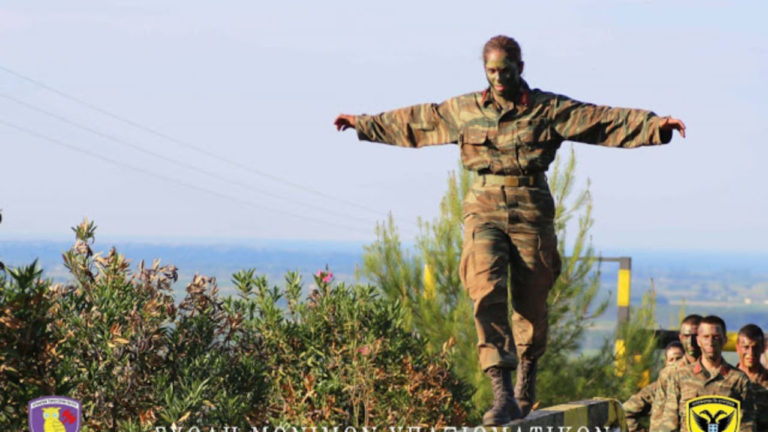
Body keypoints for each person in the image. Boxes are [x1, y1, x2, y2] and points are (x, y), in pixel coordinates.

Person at [334, 35, 686, 426]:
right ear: (485, 71)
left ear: (521, 67)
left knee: (532, 302)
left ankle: (526, 379)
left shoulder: (547, 108)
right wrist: (363, 124)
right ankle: (501, 391)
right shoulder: (464, 109)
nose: (499, 78)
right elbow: (416, 120)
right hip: (483, 207)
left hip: (532, 209)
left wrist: (655, 126)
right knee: (485, 289)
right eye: (492, 71)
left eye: (506, 69)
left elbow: (599, 119)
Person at [657, 316, 755, 432]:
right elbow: (669, 425)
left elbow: (747, 426)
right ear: (698, 341)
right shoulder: (680, 377)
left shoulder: (739, 380)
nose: (710, 342)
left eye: (716, 337)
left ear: (725, 340)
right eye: (706, 337)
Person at [624, 315, 701, 432]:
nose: (691, 341)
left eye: (695, 336)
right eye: (687, 336)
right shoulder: (668, 376)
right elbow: (627, 409)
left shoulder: (717, 374)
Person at [736, 324, 768, 430]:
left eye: (756, 347)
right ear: (738, 348)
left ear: (763, 349)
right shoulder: (726, 380)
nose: (751, 353)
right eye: (746, 347)